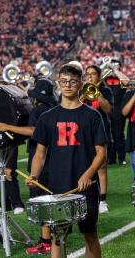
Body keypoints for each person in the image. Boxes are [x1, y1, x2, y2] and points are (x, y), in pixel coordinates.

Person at [26, 64, 107, 258]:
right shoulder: (47, 118)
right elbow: (39, 154)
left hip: (86, 189)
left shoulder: (92, 115)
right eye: (64, 81)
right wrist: (34, 174)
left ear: (80, 84)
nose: (68, 85)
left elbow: (101, 153)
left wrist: (88, 174)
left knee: (90, 235)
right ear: (58, 84)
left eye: (72, 81)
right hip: (57, 187)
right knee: (57, 237)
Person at [0, 78, 58, 254]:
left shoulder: (38, 110)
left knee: (41, 201)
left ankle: (46, 240)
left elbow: (33, 131)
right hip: (53, 160)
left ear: (37, 97)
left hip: (40, 161)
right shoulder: (54, 108)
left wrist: (9, 127)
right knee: (51, 200)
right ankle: (51, 238)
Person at [80, 64, 114, 214]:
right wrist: (84, 93)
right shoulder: (82, 91)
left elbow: (108, 110)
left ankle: (102, 201)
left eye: (93, 74)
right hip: (84, 134)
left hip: (102, 132)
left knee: (102, 167)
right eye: (87, 74)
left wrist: (97, 92)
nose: (90, 77)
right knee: (84, 167)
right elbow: (75, 106)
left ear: (99, 77)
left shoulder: (106, 90)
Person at [0, 81, 25, 216]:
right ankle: (4, 203)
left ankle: (17, 203)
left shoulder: (12, 104)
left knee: (9, 172)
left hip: (9, 141)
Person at [106, 59, 130, 166]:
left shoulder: (120, 76)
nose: (113, 66)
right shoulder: (105, 77)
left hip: (118, 108)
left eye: (116, 65)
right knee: (108, 134)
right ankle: (111, 159)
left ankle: (121, 158)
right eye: (112, 65)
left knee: (119, 134)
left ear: (120, 66)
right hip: (107, 108)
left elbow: (126, 82)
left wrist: (115, 70)